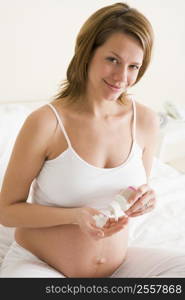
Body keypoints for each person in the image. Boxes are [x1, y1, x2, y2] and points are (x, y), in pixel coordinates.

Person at [0, 2, 185, 278]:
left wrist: (145, 200)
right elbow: (6, 211)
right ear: (87, 53)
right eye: (113, 60)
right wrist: (74, 216)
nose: (122, 77)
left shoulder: (145, 120)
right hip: (39, 266)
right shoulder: (46, 123)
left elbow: (134, 192)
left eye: (133, 66)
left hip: (118, 268)